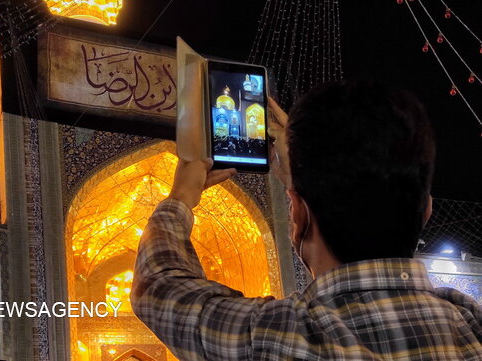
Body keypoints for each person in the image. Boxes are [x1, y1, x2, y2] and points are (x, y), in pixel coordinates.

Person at [130, 81, 482, 360]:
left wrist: (180, 199)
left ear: (297, 217)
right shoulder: (469, 325)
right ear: (427, 210)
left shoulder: (279, 338)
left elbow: (161, 286)